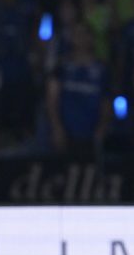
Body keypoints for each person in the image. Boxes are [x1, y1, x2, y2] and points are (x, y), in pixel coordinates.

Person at [46, 23, 112, 156]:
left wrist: (102, 128)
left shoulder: (102, 69)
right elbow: (52, 99)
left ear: (91, 38)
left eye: (85, 34)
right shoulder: (62, 67)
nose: (81, 38)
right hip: (66, 133)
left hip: (91, 134)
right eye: (77, 34)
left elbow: (107, 102)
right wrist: (57, 128)